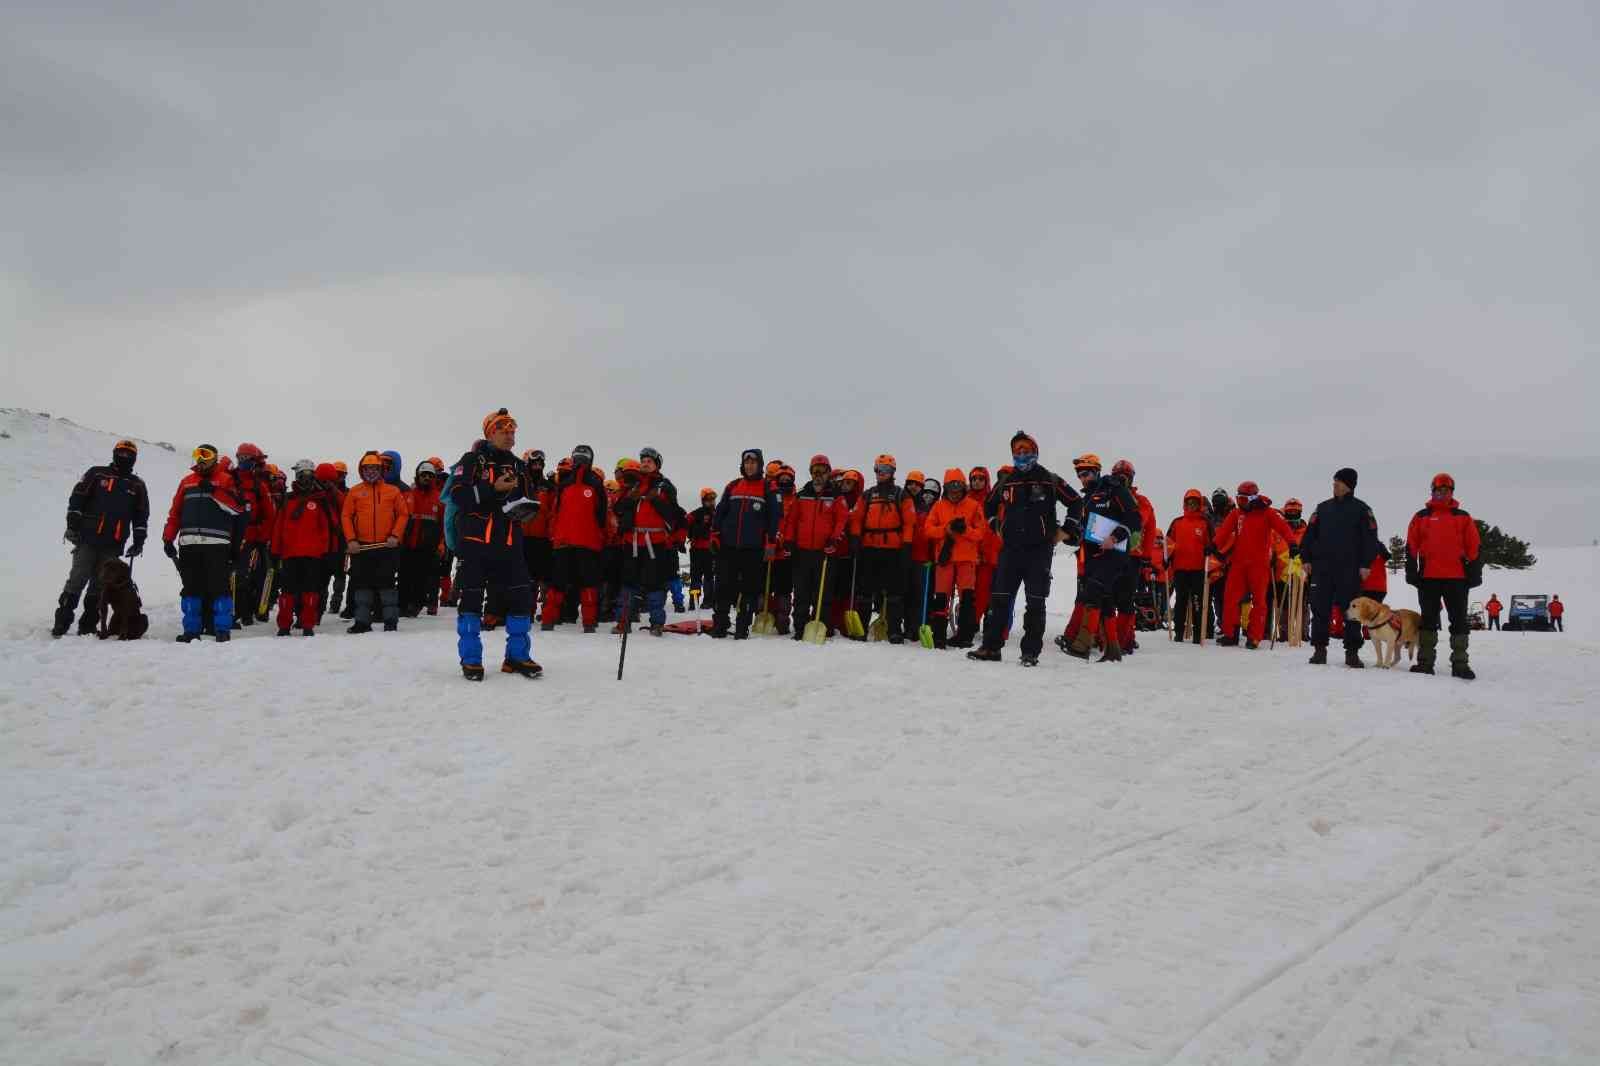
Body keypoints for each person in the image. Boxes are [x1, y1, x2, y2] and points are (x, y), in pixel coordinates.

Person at [969, 432, 1080, 665]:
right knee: (999, 599)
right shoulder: (1007, 480)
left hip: (1039, 550)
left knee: (1035, 601)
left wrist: (1066, 531)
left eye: (1026, 450)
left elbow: (1076, 502)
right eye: (1017, 451)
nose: (1022, 454)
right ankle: (991, 648)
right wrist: (996, 525)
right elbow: (988, 505)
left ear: (1035, 451)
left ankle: (1030, 652)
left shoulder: (1049, 478)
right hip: (1010, 549)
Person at [448, 409, 541, 679]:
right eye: (504, 431)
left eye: (513, 432)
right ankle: (471, 659)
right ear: (490, 432)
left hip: (510, 543)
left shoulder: (519, 466)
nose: (510, 436)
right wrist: (493, 488)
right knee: (472, 599)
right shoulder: (472, 460)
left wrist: (528, 507)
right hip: (475, 543)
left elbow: (528, 497)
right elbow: (458, 495)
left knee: (521, 598)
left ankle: (517, 656)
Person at [53, 439, 150, 637]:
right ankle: (61, 623)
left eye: (128, 455)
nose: (124, 457)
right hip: (87, 537)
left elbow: (141, 515)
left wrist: (139, 541)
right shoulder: (97, 473)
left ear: (134, 459)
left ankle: (88, 626)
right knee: (77, 579)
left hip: (113, 544)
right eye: (121, 453)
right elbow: (77, 497)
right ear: (114, 454)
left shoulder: (137, 485)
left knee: (100, 585)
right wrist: (73, 522)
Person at [1060, 453, 1140, 662]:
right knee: (1105, 599)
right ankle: (1112, 650)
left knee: (1092, 592)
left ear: (1096, 470)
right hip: (1093, 555)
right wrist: (1068, 536)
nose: (1083, 478)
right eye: (1079, 475)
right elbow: (1084, 530)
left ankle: (1082, 645)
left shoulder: (1113, 488)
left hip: (1114, 553)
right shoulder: (1086, 499)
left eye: (1086, 473)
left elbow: (1134, 518)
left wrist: (1115, 537)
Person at [1300, 467, 1382, 668]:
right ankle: (1319, 650)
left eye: (1338, 482)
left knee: (1351, 612)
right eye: (1334, 482)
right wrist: (1306, 559)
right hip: (1322, 568)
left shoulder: (1363, 510)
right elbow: (1309, 535)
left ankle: (1352, 653)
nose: (1334, 485)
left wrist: (1366, 564)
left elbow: (1371, 539)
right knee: (1320, 610)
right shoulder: (1322, 508)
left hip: (1350, 570)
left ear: (1349, 486)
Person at [162, 444, 244, 642]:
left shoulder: (226, 480)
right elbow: (175, 513)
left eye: (205, 455)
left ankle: (222, 629)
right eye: (197, 454)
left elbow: (236, 508)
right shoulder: (187, 482)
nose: (200, 459)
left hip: (216, 543)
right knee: (191, 588)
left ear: (214, 458)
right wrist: (168, 538)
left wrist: (215, 492)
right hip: (189, 543)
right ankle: (191, 630)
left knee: (219, 587)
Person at [1405, 472, 1481, 679]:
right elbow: (1411, 544)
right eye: (1438, 490)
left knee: (1458, 621)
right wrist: (1411, 570)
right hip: (1428, 578)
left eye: (1446, 490)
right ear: (1432, 491)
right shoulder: (1422, 516)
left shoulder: (1463, 517)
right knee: (1428, 620)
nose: (1442, 494)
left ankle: (1460, 663)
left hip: (1457, 578)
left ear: (1452, 492)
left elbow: (1474, 546)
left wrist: (1474, 573)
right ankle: (1425, 662)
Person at [1212, 481, 1296, 648]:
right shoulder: (1237, 514)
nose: (1240, 503)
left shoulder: (1267, 513)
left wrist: (1292, 544)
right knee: (1230, 598)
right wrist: (1213, 546)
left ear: (1253, 498)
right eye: (1238, 499)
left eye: (1243, 500)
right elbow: (1224, 531)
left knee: (1259, 601)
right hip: (1238, 563)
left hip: (1259, 565)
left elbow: (1283, 528)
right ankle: (1230, 634)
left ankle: (1254, 636)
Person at [612, 446, 684, 635]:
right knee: (628, 583)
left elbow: (674, 514)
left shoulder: (665, 486)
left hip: (655, 543)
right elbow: (618, 508)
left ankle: (657, 623)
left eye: (649, 462)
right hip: (632, 541)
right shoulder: (632, 485)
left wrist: (656, 500)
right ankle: (623, 621)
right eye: (642, 461)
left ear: (657, 465)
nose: (645, 464)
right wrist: (631, 497)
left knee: (655, 584)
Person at [848, 454, 917, 644]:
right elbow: (856, 518)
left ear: (892, 472)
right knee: (865, 591)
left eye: (885, 470)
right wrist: (855, 538)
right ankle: (861, 628)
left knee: (895, 592)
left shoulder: (901, 495)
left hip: (893, 549)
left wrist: (906, 545)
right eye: (879, 470)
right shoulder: (868, 495)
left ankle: (894, 630)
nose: (881, 473)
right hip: (870, 547)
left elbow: (910, 522)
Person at [712, 448, 781, 638]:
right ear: (742, 465)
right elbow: (720, 511)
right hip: (729, 547)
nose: (749, 466)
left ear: (759, 465)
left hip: (753, 548)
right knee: (723, 586)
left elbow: (775, 518)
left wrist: (771, 542)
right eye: (747, 462)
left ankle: (742, 626)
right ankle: (720, 624)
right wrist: (715, 534)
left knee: (749, 590)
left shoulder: (769, 488)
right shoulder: (733, 485)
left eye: (753, 462)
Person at [781, 454, 849, 641]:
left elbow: (842, 520)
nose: (818, 475)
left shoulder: (836, 496)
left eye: (822, 471)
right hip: (802, 552)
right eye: (815, 471)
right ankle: (801, 627)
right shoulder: (802, 495)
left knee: (823, 591)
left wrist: (834, 540)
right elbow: (792, 521)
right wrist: (789, 541)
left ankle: (823, 625)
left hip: (825, 552)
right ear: (811, 473)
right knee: (801, 591)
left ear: (828, 473)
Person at [540, 445, 608, 632]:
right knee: (588, 582)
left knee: (558, 582)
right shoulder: (595, 483)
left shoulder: (564, 484)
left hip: (564, 540)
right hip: (588, 541)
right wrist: (601, 536)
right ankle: (589, 623)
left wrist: (554, 535)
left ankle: (548, 620)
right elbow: (601, 515)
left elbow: (556, 511)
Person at [269, 460, 341, 635]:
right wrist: (275, 551)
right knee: (287, 592)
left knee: (310, 591)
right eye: (302, 475)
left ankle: (307, 624)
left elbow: (327, 527)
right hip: (289, 554)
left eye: (309, 476)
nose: (306, 479)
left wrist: (325, 551)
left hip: (313, 555)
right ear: (297, 476)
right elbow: (279, 526)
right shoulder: (288, 499)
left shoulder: (320, 500)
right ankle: (284, 626)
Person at [340, 451, 409, 633]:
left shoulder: (392, 491)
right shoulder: (355, 492)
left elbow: (403, 514)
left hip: (386, 546)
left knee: (387, 585)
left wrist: (395, 536)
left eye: (375, 468)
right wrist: (351, 540)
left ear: (381, 470)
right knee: (362, 585)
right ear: (362, 470)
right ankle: (362, 622)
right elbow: (346, 516)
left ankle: (391, 622)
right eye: (367, 468)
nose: (371, 472)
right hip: (361, 547)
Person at [925, 468, 985, 648]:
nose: (954, 492)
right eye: (951, 488)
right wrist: (947, 530)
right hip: (945, 560)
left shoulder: (974, 506)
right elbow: (928, 530)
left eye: (958, 488)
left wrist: (965, 530)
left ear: (963, 488)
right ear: (946, 488)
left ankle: (965, 636)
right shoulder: (938, 506)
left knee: (967, 599)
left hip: (966, 560)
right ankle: (939, 636)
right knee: (941, 598)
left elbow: (980, 533)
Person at [231, 443, 277, 627]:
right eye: (240, 458)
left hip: (253, 538)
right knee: (235, 576)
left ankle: (249, 611)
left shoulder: (259, 486)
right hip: (233, 536)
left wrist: (261, 537)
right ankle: (235, 611)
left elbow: (269, 515)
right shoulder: (229, 480)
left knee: (253, 576)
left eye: (246, 459)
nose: (242, 462)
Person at [398, 460, 445, 616]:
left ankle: (416, 605)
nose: (426, 478)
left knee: (422, 577)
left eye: (430, 475)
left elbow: (444, 524)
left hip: (428, 546)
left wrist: (441, 544)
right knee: (404, 576)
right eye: (423, 475)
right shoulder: (407, 495)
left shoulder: (439, 499)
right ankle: (402, 604)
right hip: (407, 544)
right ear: (418, 476)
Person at [1166, 489, 1212, 643]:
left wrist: (1209, 550)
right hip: (1180, 569)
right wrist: (1166, 559)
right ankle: (1179, 632)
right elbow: (1168, 543)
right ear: (1184, 504)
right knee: (1181, 601)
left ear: (1199, 504)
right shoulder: (1177, 522)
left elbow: (1213, 543)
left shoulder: (1205, 523)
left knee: (1198, 602)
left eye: (1194, 503)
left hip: (1198, 570)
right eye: (1189, 502)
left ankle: (1198, 634)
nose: (1191, 505)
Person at [686, 488, 718, 611]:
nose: (711, 502)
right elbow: (685, 521)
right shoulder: (697, 513)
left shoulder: (717, 513)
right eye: (709, 499)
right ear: (703, 500)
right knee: (695, 577)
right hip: (697, 549)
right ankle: (694, 601)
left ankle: (708, 601)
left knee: (709, 577)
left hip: (711, 550)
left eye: (713, 499)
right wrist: (695, 529)